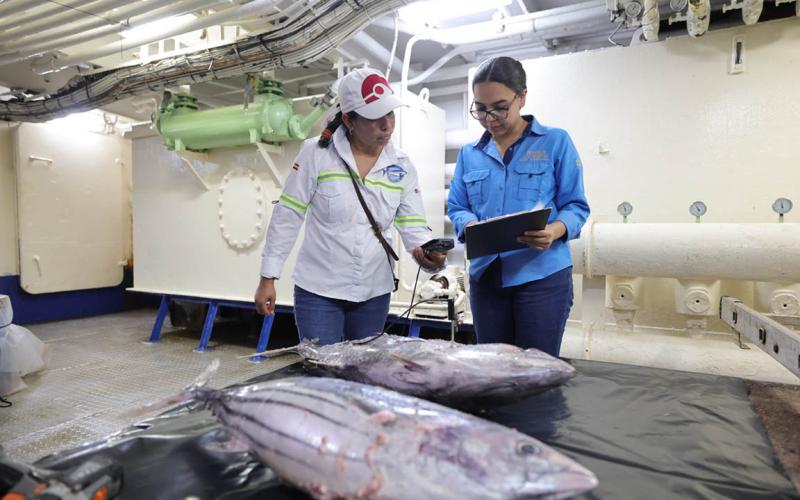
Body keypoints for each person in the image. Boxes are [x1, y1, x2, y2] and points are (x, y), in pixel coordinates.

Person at [255, 68, 446, 345]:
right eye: (374, 118)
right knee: (321, 365)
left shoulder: (402, 166)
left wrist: (427, 254)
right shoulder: (316, 154)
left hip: (374, 291)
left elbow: (413, 225)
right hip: (319, 289)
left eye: (390, 114)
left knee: (365, 366)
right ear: (348, 119)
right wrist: (268, 277)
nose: (387, 125)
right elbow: (288, 214)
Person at [447, 56, 589, 356]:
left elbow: (576, 206)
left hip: (541, 277)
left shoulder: (555, 142)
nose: (490, 118)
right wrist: (469, 225)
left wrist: (554, 230)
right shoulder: (470, 153)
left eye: (500, 107)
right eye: (480, 109)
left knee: (536, 368)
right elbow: (457, 206)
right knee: (493, 367)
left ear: (521, 97)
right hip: (487, 277)